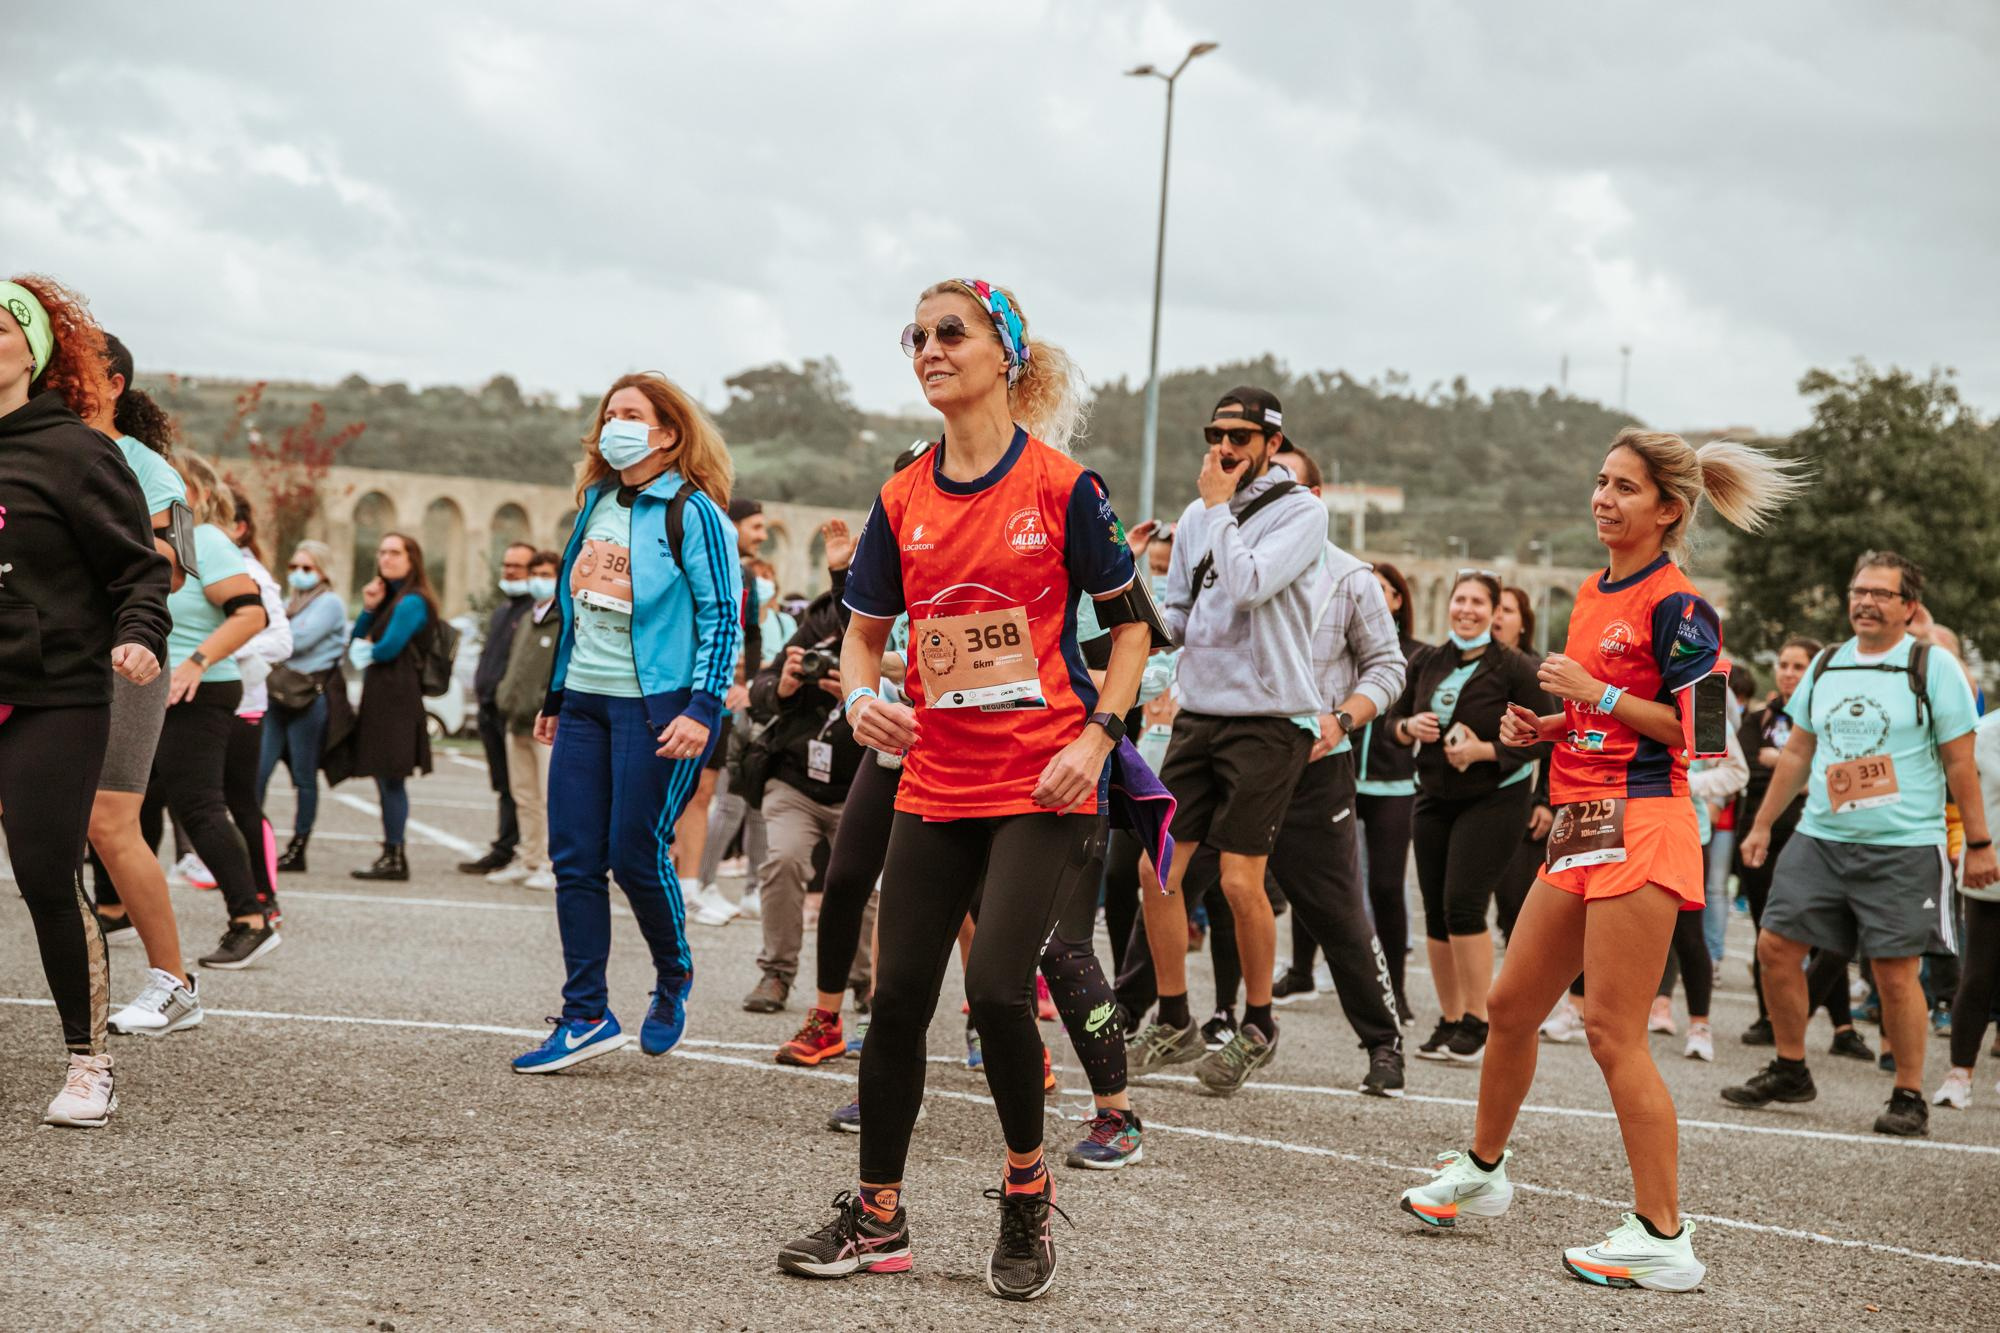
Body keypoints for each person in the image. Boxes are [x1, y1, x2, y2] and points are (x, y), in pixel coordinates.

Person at [778, 279, 1148, 1301]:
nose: (930, 349)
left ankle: (1025, 1193)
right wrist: (863, 701)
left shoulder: (1063, 488)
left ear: (1005, 355)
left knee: (993, 988)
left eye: (952, 332)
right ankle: (877, 1216)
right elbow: (862, 636)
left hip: (1043, 780)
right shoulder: (902, 496)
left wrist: (1098, 736)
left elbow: (1131, 630)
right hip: (936, 779)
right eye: (917, 336)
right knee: (899, 996)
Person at [1400, 428, 1804, 1292]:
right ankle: (1482, 1169)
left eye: (1625, 487)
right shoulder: (1592, 590)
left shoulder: (1682, 606)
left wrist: (1599, 693)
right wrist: (1549, 726)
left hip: (1645, 823)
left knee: (1612, 1031)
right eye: (1600, 481)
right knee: (1510, 1005)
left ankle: (1664, 1234)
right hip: (1582, 823)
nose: (1603, 498)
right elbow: (1602, 719)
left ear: (1669, 510)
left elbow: (1701, 734)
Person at [509, 371, 741, 1073]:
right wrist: (556, 696)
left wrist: (703, 707)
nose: (615, 425)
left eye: (631, 415)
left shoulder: (694, 513)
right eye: (610, 414)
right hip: (586, 700)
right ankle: (585, 1013)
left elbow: (722, 616)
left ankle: (673, 973)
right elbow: (573, 606)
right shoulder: (596, 502)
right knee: (574, 860)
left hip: (659, 708)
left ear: (667, 434)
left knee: (634, 854)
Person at [1726, 551, 1993, 1137]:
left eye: (1881, 593)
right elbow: (1798, 751)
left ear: (1909, 607)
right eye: (1858, 591)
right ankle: (1791, 1068)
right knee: (1775, 946)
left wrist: (1978, 842)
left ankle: (1908, 1094)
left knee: (1895, 971)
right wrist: (1763, 825)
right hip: (1821, 835)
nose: (1866, 602)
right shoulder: (1828, 663)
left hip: (1904, 843)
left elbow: (1960, 760)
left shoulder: (1932, 666)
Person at [1180, 439, 1409, 1096]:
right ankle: (1165, 1019)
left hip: (1314, 764)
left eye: (1284, 480)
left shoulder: (1350, 576)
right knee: (1171, 877)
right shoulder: (1229, 560)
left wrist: (1342, 718)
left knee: (1336, 912)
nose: (1266, 490)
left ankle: (1383, 1043)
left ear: (1313, 499)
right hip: (1237, 753)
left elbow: (1388, 666)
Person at [1125, 386, 1330, 1094]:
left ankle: (1258, 1024)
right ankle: (1174, 1017)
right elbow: (1181, 616)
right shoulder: (1195, 515)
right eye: (1217, 434)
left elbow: (1247, 585)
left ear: (1273, 444)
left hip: (1270, 717)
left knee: (1242, 882)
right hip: (1201, 711)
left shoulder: (1302, 512)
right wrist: (1127, 590)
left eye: (1241, 437)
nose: (1225, 448)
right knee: (1157, 870)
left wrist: (1217, 509)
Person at [0, 274, 170, 1126]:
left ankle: (88, 1061)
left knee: (44, 871)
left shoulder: (76, 452)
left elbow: (140, 570)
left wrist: (139, 633)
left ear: (33, 349)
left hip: (54, 692)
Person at [76, 332, 202, 1036]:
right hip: (45, 653)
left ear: (114, 384)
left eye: (73, 367)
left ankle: (174, 984)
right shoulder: (36, 446)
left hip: (128, 657)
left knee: (110, 822)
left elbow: (174, 568)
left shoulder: (150, 470)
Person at [1388, 570, 1551, 1065]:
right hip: (1433, 796)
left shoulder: (1516, 667)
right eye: (1460, 600)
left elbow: (1545, 735)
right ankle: (1450, 1017)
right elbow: (1393, 720)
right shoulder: (1427, 660)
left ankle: (1479, 1022)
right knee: (1436, 911)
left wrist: (1487, 751)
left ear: (1495, 611)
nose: (1467, 610)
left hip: (1494, 799)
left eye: (1479, 603)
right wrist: (1408, 728)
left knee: (1463, 905)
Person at [152, 452, 278, 970]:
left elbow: (252, 616)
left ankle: (251, 919)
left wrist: (196, 662)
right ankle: (113, 907)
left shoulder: (205, 541)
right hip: (156, 692)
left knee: (200, 808)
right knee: (131, 805)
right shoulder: (157, 543)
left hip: (199, 692)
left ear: (197, 495)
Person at [742, 536, 869, 1013]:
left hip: (860, 786)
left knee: (862, 884)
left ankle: (864, 980)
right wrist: (784, 686)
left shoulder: (897, 630)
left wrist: (857, 696)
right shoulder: (812, 626)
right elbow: (760, 690)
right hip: (795, 779)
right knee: (784, 860)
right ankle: (776, 972)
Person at [678, 496, 764, 917]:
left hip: (720, 700)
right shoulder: (691, 555)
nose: (761, 536)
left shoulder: (746, 576)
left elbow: (751, 633)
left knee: (704, 791)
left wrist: (746, 684)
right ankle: (666, 877)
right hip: (680, 690)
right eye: (755, 526)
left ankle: (691, 885)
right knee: (674, 791)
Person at [335, 532, 437, 882]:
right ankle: (392, 852)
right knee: (384, 778)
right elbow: (356, 640)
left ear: (412, 559)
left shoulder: (412, 602)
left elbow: (388, 648)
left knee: (392, 779)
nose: (386, 558)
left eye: (395, 552)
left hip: (398, 700)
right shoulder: (391, 599)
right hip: (383, 697)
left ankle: (395, 855)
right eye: (382, 552)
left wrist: (367, 649)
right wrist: (368, 608)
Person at [1348, 561, 1424, 1022]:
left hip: (1393, 784)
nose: (1374, 597)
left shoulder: (1419, 655)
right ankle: (1302, 972)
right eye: (1368, 589)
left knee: (1385, 887)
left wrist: (1405, 729)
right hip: (1341, 777)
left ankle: (1395, 990)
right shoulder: (1346, 644)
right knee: (1326, 881)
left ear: (1399, 600)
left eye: (1383, 590)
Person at [222, 489, 292, 928]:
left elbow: (281, 641)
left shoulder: (252, 574)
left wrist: (224, 652)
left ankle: (264, 897)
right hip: (202, 701)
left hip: (242, 705)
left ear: (239, 528)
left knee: (242, 802)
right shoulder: (211, 565)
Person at [258, 540, 348, 873]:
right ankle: (255, 839)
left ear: (322, 571)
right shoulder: (291, 602)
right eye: (294, 567)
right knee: (259, 770)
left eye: (307, 568)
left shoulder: (330, 603)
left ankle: (299, 846)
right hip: (276, 695)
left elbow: (293, 642)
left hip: (307, 698)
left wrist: (272, 632)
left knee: (303, 775)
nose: (298, 573)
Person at [1933, 709, 2000, 1109]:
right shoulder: (1985, 732)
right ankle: (1959, 1074)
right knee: (1978, 975)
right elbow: (1954, 786)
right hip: (1990, 872)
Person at [460, 542, 537, 876]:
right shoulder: (503, 611)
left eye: (517, 566)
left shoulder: (533, 613)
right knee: (503, 784)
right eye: (506, 565)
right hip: (489, 708)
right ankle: (506, 844)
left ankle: (513, 848)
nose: (509, 572)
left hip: (511, 711)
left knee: (520, 787)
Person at [492, 549, 562, 891]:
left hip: (545, 724)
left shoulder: (562, 620)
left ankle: (551, 863)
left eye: (546, 575)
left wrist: (545, 704)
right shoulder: (527, 619)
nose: (538, 581)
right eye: (535, 574)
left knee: (551, 798)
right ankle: (529, 857)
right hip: (516, 720)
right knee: (524, 796)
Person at [1490, 585, 1556, 946]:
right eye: (1494, 608)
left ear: (1524, 622)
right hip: (1479, 794)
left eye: (1507, 610)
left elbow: (1553, 741)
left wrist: (1545, 800)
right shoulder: (1476, 667)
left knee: (1516, 897)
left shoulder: (1538, 672)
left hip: (1525, 800)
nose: (1497, 617)